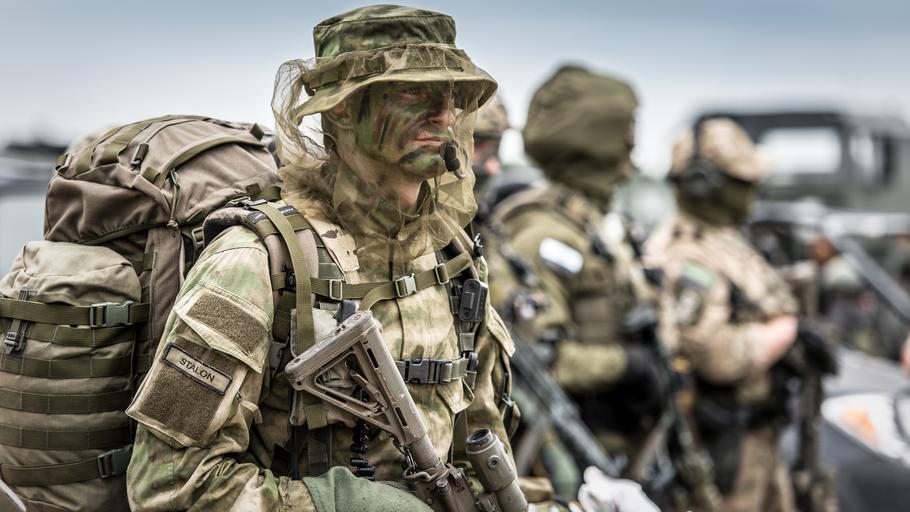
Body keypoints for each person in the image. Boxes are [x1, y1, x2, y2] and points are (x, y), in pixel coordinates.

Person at [125, 5, 518, 511]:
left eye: (453, 95)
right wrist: (348, 503)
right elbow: (168, 485)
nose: (444, 114)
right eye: (412, 91)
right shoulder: (257, 263)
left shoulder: (453, 260)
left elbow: (480, 440)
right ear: (343, 109)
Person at [485, 65, 667, 496]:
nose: (628, 166)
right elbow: (536, 363)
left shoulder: (595, 226)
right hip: (576, 461)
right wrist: (627, 365)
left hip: (622, 449)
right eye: (623, 146)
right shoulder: (544, 233)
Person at [645, 118, 800, 512]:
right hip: (718, 443)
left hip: (753, 436)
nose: (752, 192)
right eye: (743, 182)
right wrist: (779, 334)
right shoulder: (686, 253)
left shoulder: (722, 239)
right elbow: (713, 353)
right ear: (705, 184)